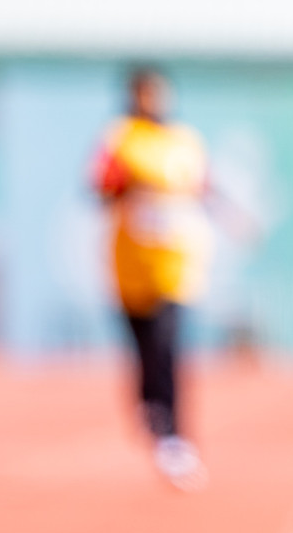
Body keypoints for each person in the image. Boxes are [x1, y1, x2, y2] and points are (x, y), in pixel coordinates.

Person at [90, 68, 213, 492]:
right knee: (143, 348)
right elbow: (99, 187)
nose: (153, 100)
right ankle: (151, 409)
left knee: (168, 344)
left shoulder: (185, 142)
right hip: (130, 265)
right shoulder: (120, 138)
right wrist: (129, 184)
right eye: (145, 93)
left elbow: (204, 188)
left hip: (175, 266)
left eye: (158, 92)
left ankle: (174, 435)